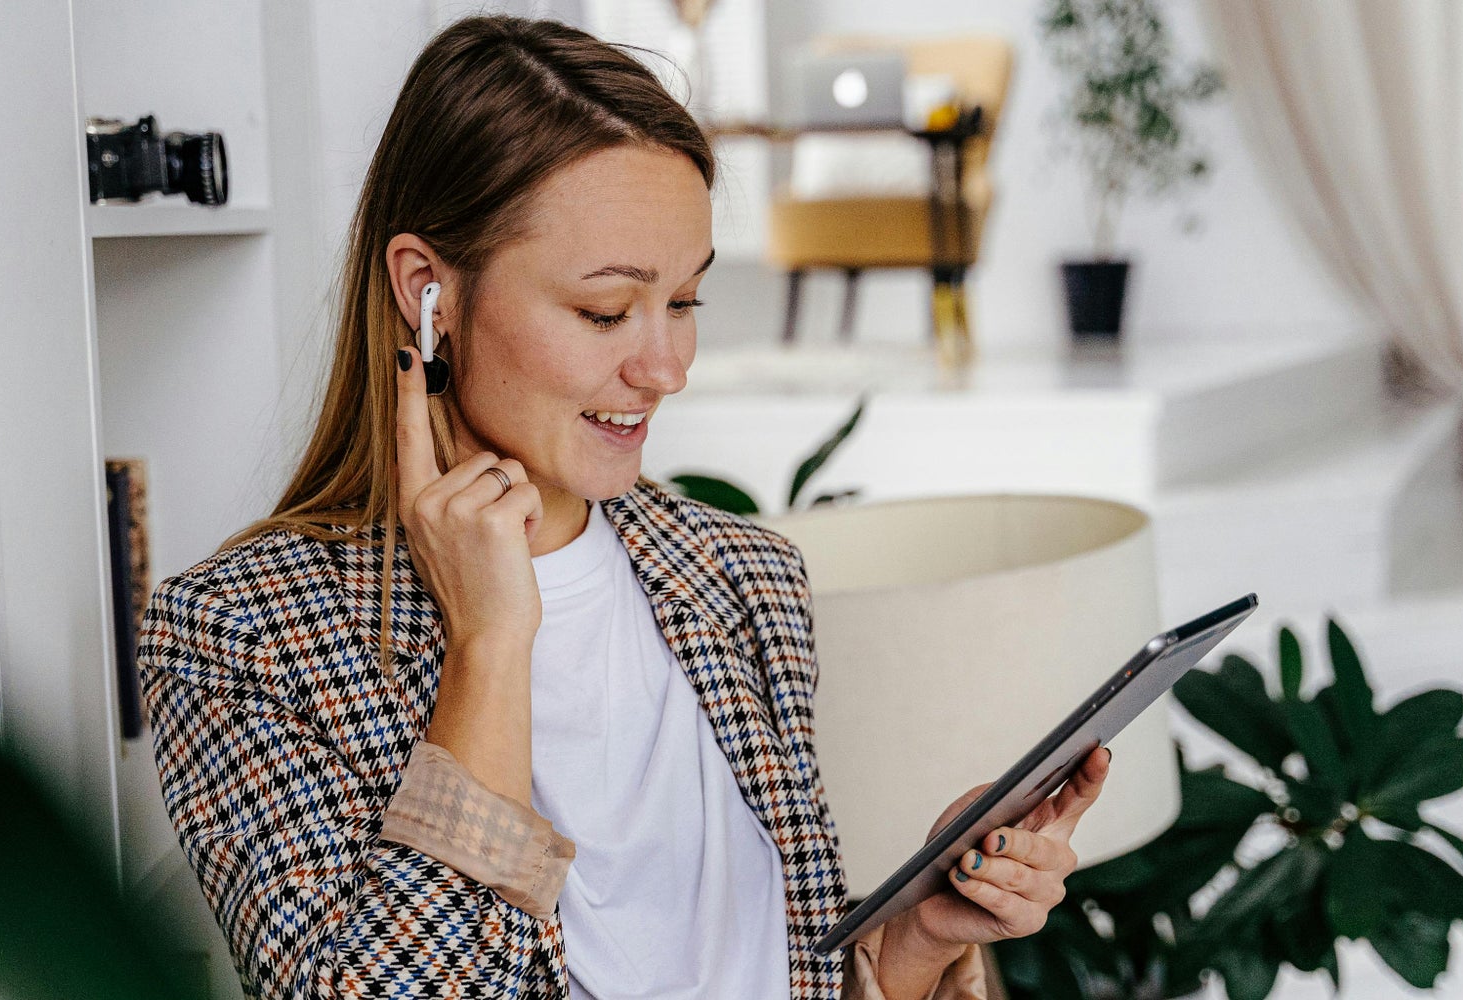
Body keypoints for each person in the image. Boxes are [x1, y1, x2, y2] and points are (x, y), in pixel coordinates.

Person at [137, 14, 1109, 1000]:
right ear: (426, 291)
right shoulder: (239, 636)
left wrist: (912, 946)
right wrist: (488, 646)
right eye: (605, 310)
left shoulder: (740, 576)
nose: (664, 368)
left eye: (683, 302)